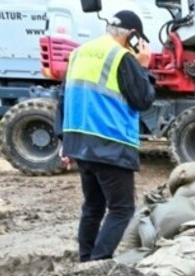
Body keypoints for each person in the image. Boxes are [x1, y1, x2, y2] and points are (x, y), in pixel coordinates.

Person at [57, 10, 156, 262]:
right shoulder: (122, 57)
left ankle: (85, 260)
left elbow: (63, 98)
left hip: (80, 143)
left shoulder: (79, 53)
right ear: (132, 36)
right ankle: (98, 263)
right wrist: (143, 68)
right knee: (122, 209)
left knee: (93, 207)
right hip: (111, 143)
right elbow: (143, 100)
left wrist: (63, 140)